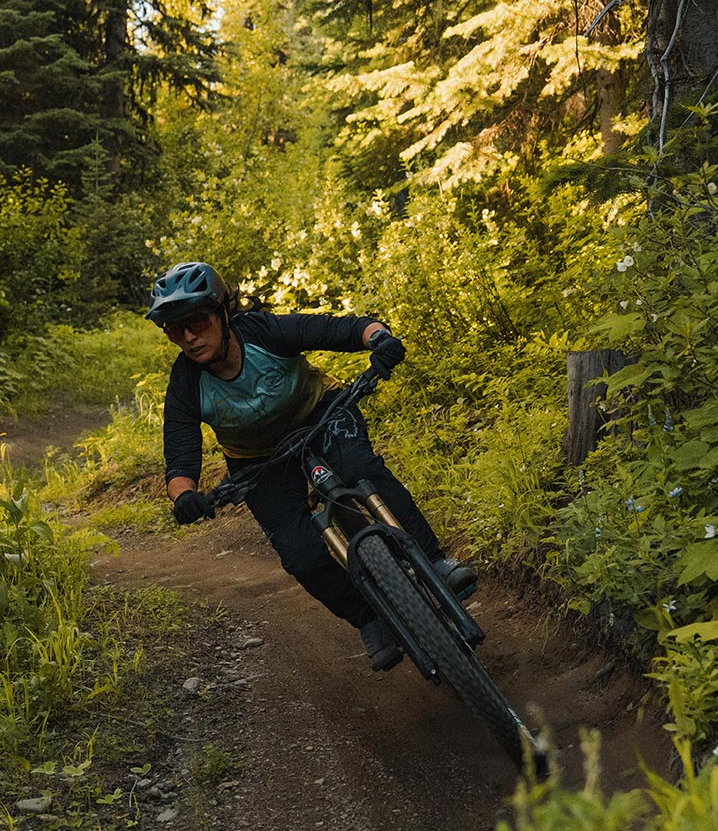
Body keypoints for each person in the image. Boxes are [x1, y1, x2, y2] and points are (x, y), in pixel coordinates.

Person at [147, 261, 476, 671]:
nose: (190, 337)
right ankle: (368, 617)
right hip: (258, 461)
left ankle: (435, 561)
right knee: (299, 553)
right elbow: (179, 457)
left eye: (196, 321)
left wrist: (379, 339)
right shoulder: (186, 383)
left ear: (223, 313)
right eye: (176, 330)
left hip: (321, 414)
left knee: (363, 470)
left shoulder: (264, 332)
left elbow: (339, 329)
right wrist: (185, 498)